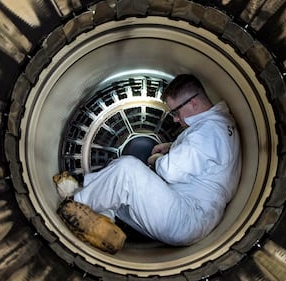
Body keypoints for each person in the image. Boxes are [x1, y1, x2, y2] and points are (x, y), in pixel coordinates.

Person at [63, 74, 241, 247]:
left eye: (176, 112)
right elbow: (206, 155)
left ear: (193, 103)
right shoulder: (221, 122)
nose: (175, 118)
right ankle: (102, 227)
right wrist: (173, 147)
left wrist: (158, 160)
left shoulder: (207, 132)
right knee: (114, 190)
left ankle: (74, 205)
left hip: (185, 216)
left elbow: (169, 171)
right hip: (197, 217)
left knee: (127, 168)